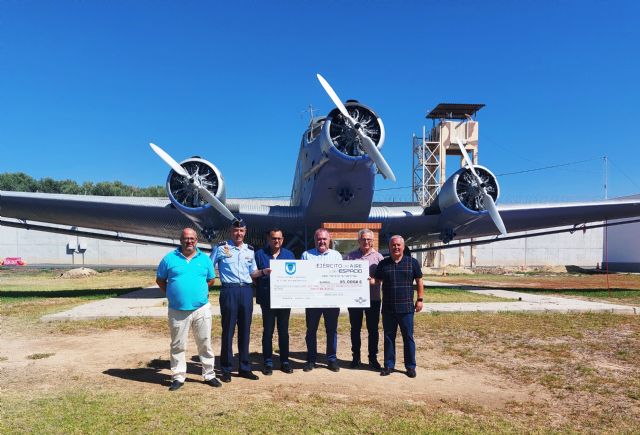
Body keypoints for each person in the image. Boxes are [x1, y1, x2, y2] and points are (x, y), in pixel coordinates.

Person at [156, 228, 221, 391]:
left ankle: (209, 374)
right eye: (186, 238)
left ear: (196, 240)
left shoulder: (204, 259)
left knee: (205, 343)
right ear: (180, 240)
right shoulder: (169, 259)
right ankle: (178, 376)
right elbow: (160, 280)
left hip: (201, 309)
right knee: (178, 344)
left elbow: (211, 280)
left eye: (192, 238)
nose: (189, 241)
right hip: (178, 310)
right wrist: (174, 294)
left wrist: (198, 294)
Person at [211, 219, 262, 382]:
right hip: (229, 291)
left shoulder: (250, 250)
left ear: (245, 232)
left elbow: (252, 272)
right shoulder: (220, 248)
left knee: (245, 331)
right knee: (228, 330)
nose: (238, 233)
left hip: (246, 291)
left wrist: (265, 272)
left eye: (241, 230)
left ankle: (244, 368)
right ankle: (226, 368)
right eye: (235, 230)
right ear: (230, 231)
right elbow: (208, 266)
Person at [374, 235, 424, 378]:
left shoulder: (412, 263)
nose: (396, 247)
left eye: (398, 245)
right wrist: (359, 280)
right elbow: (376, 281)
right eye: (393, 245)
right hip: (388, 308)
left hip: (407, 308)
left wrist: (420, 299)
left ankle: (410, 366)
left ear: (403, 247)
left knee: (408, 337)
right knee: (389, 337)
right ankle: (389, 366)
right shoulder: (383, 264)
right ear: (389, 247)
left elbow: (419, 282)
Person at [254, 228, 296, 375]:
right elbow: (253, 275)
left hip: (285, 300)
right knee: (268, 332)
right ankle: (268, 362)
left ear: (282, 240)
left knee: (284, 332)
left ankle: (285, 361)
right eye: (273, 238)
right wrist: (262, 272)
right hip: (267, 300)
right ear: (268, 239)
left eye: (278, 238)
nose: (276, 241)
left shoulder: (289, 255)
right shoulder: (259, 254)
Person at [301, 228, 343, 372]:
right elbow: (301, 276)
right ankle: (311, 359)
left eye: (324, 239)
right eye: (319, 239)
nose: (322, 241)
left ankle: (331, 360)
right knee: (311, 330)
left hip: (331, 301)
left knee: (331, 330)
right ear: (315, 240)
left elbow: (340, 277)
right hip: (313, 301)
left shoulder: (337, 256)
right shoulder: (306, 255)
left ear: (329, 240)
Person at [344, 229, 384, 370]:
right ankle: (356, 358)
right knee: (355, 329)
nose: (366, 242)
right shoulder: (350, 257)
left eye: (369, 239)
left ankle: (373, 358)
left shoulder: (379, 258)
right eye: (363, 239)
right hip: (355, 299)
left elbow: (383, 279)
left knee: (373, 330)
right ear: (359, 241)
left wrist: (375, 281)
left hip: (373, 299)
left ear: (373, 241)